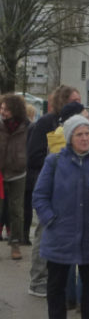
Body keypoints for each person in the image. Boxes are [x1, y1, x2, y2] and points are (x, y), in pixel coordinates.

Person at [32, 114, 89, 319]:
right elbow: (39, 195)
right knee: (56, 282)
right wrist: (50, 219)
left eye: (88, 134)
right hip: (60, 233)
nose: (85, 138)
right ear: (70, 137)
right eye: (79, 134)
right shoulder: (55, 162)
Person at [26, 85, 81, 296]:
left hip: (70, 189)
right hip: (48, 187)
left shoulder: (79, 126)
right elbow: (34, 157)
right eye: (74, 100)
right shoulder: (45, 123)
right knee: (44, 231)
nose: (79, 104)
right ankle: (38, 280)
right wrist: (57, 164)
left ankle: (61, 283)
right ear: (63, 102)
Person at [0, 93, 29, 260]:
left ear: (15, 110)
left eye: (6, 109)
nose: (3, 112)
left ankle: (15, 244)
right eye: (2, 108)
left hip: (18, 173)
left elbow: (31, 147)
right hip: (0, 173)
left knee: (16, 210)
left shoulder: (26, 126)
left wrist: (25, 161)